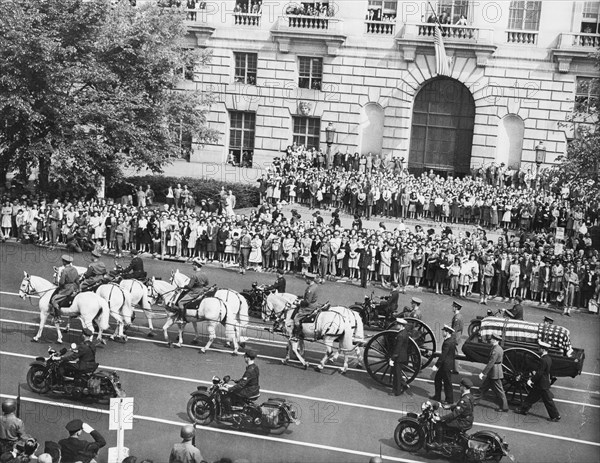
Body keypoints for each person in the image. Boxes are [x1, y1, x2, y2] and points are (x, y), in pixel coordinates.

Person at [515, 341, 561, 422]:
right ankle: (523, 410)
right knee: (532, 397)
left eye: (540, 348)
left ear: (543, 349)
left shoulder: (543, 360)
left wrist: (531, 380)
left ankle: (555, 416)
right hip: (543, 383)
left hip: (541, 383)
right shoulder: (548, 358)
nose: (538, 349)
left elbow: (540, 372)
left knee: (547, 400)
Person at [431, 378, 475, 448]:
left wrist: (440, 418)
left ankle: (438, 443)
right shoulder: (469, 396)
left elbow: (454, 414)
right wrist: (446, 407)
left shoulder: (464, 400)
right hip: (468, 419)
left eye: (460, 386)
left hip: (463, 422)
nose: (460, 387)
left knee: (440, 424)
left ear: (463, 387)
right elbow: (460, 407)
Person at [475, 334, 508, 412]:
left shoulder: (496, 350)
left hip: (494, 373)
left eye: (492, 339)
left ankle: (504, 407)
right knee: (483, 388)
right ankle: (474, 401)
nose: (491, 340)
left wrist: (483, 373)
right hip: (494, 372)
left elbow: (491, 363)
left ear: (496, 340)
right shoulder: (498, 348)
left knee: (499, 391)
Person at [223, 349, 260, 415]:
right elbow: (250, 379)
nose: (244, 358)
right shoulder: (255, 367)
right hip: (254, 389)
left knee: (227, 395)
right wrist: (237, 380)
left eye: (245, 357)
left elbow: (241, 385)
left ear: (248, 358)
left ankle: (228, 414)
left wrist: (228, 389)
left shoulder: (249, 370)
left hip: (249, 391)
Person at [430, 325, 456, 404]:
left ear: (447, 332)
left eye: (443, 331)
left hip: (445, 366)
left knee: (447, 382)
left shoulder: (447, 342)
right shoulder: (451, 340)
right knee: (438, 379)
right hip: (447, 365)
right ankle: (437, 396)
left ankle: (449, 400)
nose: (442, 332)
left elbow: (443, 355)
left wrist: (436, 365)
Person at [49, 255, 80, 321]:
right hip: (74, 287)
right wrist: (78, 288)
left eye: (63, 261)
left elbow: (62, 282)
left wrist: (59, 285)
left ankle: (57, 317)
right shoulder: (74, 269)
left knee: (54, 300)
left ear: (65, 262)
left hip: (67, 289)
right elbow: (77, 280)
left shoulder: (64, 271)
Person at [389, 318, 410, 396]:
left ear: (400, 325)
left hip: (398, 357)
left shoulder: (400, 335)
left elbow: (397, 348)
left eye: (397, 324)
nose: (396, 325)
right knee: (397, 373)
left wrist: (392, 358)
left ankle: (397, 391)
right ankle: (404, 385)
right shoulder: (405, 333)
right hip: (403, 356)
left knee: (397, 375)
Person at [451, 301, 463, 373]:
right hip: (457, 336)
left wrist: (450, 337)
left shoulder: (457, 318)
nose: (452, 308)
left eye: (453, 306)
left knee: (454, 352)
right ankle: (455, 367)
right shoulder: (459, 316)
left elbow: (454, 330)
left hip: (455, 337)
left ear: (455, 308)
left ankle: (455, 369)